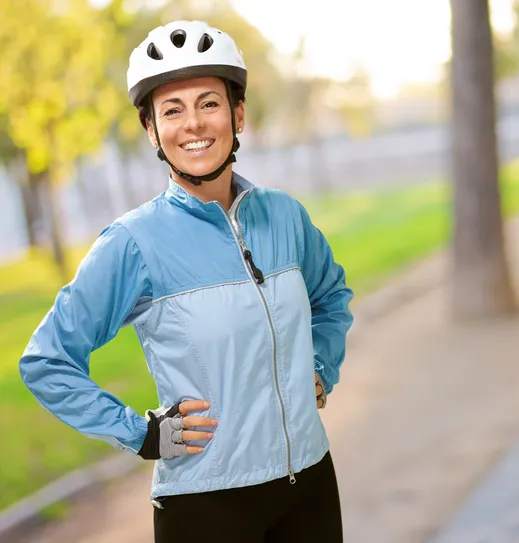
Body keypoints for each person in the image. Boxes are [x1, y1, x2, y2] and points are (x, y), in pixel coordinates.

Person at [19, 19, 353, 543]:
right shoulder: (133, 242)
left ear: (237, 114)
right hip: (206, 507)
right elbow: (46, 361)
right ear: (152, 129)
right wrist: (140, 432)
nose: (193, 123)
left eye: (209, 103)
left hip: (308, 482)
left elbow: (331, 297)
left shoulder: (285, 216)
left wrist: (320, 366)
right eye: (172, 110)